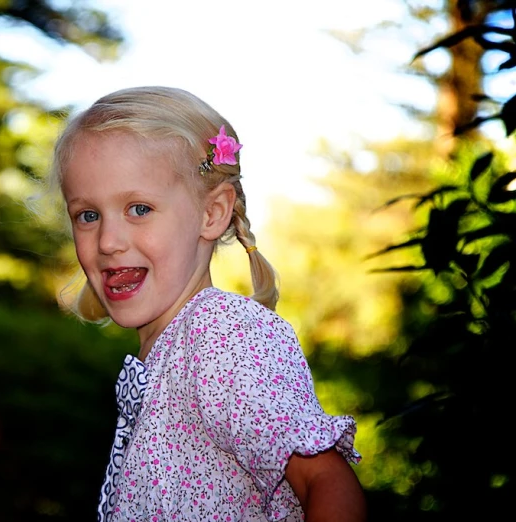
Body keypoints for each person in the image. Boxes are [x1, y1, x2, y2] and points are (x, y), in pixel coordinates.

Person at [46, 86, 367, 522]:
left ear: (212, 213)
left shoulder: (219, 332)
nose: (107, 241)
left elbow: (327, 481)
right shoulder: (167, 355)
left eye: (139, 208)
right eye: (88, 215)